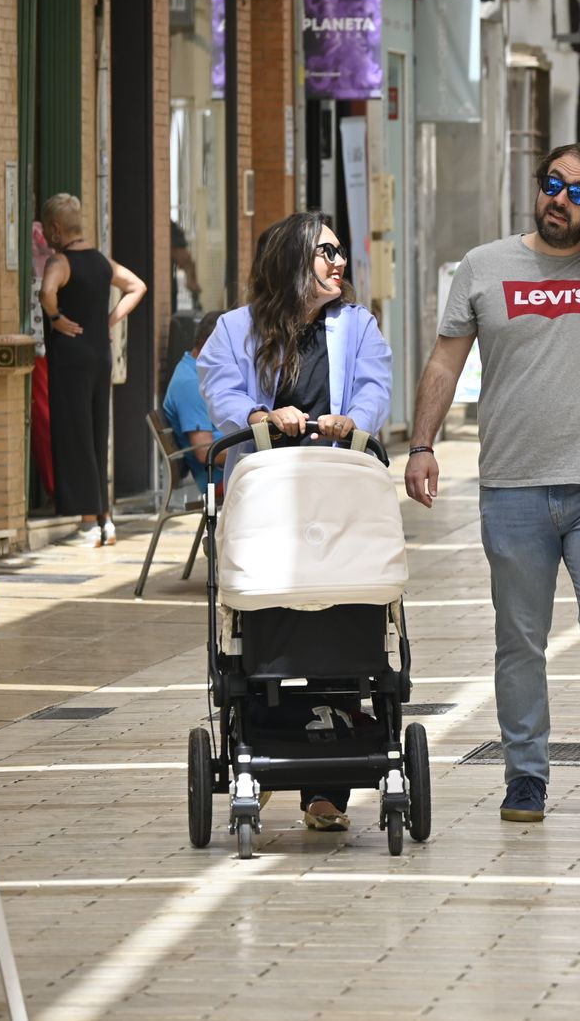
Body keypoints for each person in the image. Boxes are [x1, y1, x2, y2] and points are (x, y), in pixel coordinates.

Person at [404, 142, 580, 827]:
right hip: (512, 485)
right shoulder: (485, 265)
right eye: (553, 184)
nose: (561, 198)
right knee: (519, 637)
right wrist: (421, 443)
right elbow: (443, 360)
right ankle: (525, 773)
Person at [198, 210, 393, 832]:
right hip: (268, 502)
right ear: (292, 260)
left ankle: (325, 785)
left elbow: (373, 386)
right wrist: (260, 412)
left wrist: (352, 421)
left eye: (341, 253)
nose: (339, 263)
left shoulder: (357, 325)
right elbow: (221, 388)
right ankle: (265, 745)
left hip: (336, 498)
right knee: (270, 624)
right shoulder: (234, 330)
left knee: (340, 619)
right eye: (326, 252)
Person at [39, 193, 147, 546]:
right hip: (100, 354)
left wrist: (56, 319)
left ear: (56, 229)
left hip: (71, 358)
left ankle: (88, 523)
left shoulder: (60, 261)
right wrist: (109, 320)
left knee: (76, 435)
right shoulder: (102, 262)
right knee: (98, 435)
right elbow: (137, 286)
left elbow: (46, 292)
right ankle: (106, 519)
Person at [162, 309, 227, 491]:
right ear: (209, 345)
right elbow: (204, 451)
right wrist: (252, 451)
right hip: (221, 479)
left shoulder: (199, 373)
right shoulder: (190, 383)